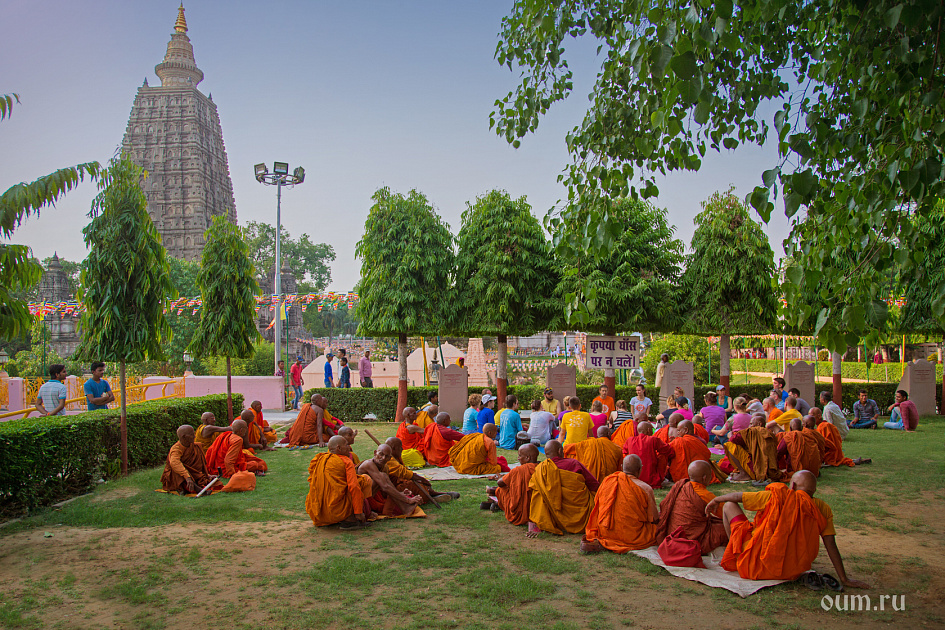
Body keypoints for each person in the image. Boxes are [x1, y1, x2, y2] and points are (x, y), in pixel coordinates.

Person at [708, 471, 869, 587]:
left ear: (791, 485)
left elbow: (737, 497)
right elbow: (830, 544)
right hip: (794, 570)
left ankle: (736, 552)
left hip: (755, 564)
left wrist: (716, 499)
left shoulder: (777, 496)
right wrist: (844, 578)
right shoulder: (821, 508)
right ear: (813, 490)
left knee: (729, 505)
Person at [580, 454, 658, 554]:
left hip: (606, 533)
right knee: (659, 529)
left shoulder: (607, 482)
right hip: (634, 536)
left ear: (621, 467)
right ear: (640, 470)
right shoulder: (645, 489)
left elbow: (598, 507)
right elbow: (654, 518)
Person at [526, 440, 599, 537]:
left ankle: (542, 522)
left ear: (546, 453)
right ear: (560, 451)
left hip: (554, 517)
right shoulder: (573, 463)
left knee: (539, 491)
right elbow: (594, 485)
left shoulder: (541, 469)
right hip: (582, 514)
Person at [656, 460, 729, 554]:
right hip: (691, 538)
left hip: (671, 533)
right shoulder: (704, 495)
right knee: (727, 528)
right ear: (705, 478)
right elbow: (725, 513)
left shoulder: (680, 486)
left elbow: (664, 505)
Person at [305, 435, 374, 528]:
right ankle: (350, 519)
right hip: (338, 511)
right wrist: (358, 512)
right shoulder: (345, 461)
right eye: (346, 445)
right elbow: (354, 486)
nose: (349, 447)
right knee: (365, 479)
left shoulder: (319, 459)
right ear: (339, 448)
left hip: (319, 513)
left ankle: (342, 517)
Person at [358, 444, 423, 517]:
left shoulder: (385, 467)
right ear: (375, 453)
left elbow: (387, 488)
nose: (383, 458)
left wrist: (400, 493)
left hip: (371, 496)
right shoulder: (368, 464)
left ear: (389, 458)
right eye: (381, 454)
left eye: (386, 456)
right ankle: (367, 509)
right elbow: (385, 487)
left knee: (384, 476)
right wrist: (407, 500)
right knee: (382, 477)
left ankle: (405, 508)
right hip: (360, 498)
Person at [482, 443, 539, 524]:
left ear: (527, 458)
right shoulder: (541, 469)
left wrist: (502, 478)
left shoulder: (518, 470)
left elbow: (500, 483)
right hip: (537, 511)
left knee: (501, 490)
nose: (518, 458)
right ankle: (493, 492)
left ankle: (496, 496)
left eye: (520, 455)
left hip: (520, 512)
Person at [161, 425, 220, 494]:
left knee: (216, 483)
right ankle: (198, 490)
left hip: (192, 475)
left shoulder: (194, 446)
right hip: (179, 476)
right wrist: (187, 477)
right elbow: (175, 463)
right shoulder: (176, 449)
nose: (194, 436)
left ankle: (189, 488)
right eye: (192, 434)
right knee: (177, 471)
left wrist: (208, 475)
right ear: (184, 437)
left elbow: (196, 468)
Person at [622, 421, 674, 488]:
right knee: (663, 455)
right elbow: (668, 450)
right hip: (651, 480)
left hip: (633, 478)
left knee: (627, 457)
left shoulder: (629, 440)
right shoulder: (652, 439)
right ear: (649, 430)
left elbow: (624, 453)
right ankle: (659, 477)